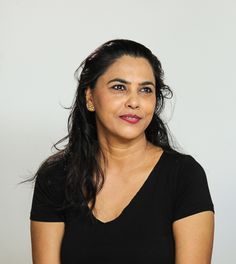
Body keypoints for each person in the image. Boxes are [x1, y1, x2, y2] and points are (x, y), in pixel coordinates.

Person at [29, 39, 215, 263]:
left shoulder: (184, 175)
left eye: (146, 90)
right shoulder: (55, 176)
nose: (134, 102)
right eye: (119, 87)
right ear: (90, 97)